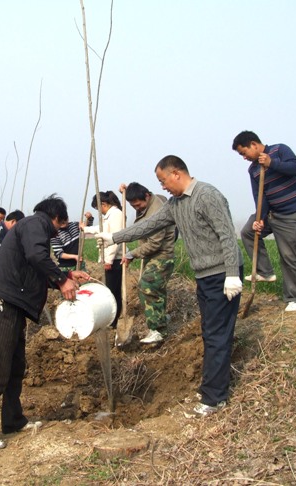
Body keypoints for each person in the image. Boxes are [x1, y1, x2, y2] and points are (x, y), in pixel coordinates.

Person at [92, 156, 243, 417]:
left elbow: (227, 234)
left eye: (163, 181)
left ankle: (215, 398)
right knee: (209, 332)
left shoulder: (207, 195)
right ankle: (211, 387)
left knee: (218, 334)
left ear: (176, 174)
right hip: (204, 275)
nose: (162, 187)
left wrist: (232, 273)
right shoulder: (175, 204)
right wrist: (113, 237)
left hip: (222, 274)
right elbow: (148, 225)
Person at [0, 195, 90, 451]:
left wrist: (65, 275)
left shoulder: (32, 228)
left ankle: (13, 420)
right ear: (56, 217)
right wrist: (62, 280)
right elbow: (36, 256)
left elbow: (34, 269)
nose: (59, 232)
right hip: (2, 305)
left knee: (15, 367)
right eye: (60, 226)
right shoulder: (36, 224)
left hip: (13, 306)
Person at [232, 131, 296, 312]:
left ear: (253, 144)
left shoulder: (279, 150)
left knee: (289, 256)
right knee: (248, 232)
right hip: (272, 213)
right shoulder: (253, 170)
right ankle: (264, 272)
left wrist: (272, 163)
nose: (244, 158)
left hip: (291, 213)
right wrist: (260, 219)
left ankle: (295, 298)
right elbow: (260, 197)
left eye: (244, 153)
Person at [119, 182, 175, 344]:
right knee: (157, 289)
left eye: (138, 205)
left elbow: (154, 243)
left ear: (147, 196)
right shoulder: (149, 203)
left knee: (147, 287)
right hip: (153, 255)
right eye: (133, 206)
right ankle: (161, 318)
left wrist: (132, 254)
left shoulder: (156, 211)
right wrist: (125, 192)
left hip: (162, 255)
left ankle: (157, 330)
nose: (137, 208)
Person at [82, 191, 124, 328]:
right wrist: (85, 229)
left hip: (115, 260)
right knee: (111, 290)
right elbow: (101, 229)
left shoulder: (116, 214)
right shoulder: (110, 216)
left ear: (104, 204)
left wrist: (109, 260)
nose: (99, 212)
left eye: (98, 208)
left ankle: (114, 320)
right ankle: (112, 319)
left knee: (113, 291)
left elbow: (116, 239)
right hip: (110, 259)